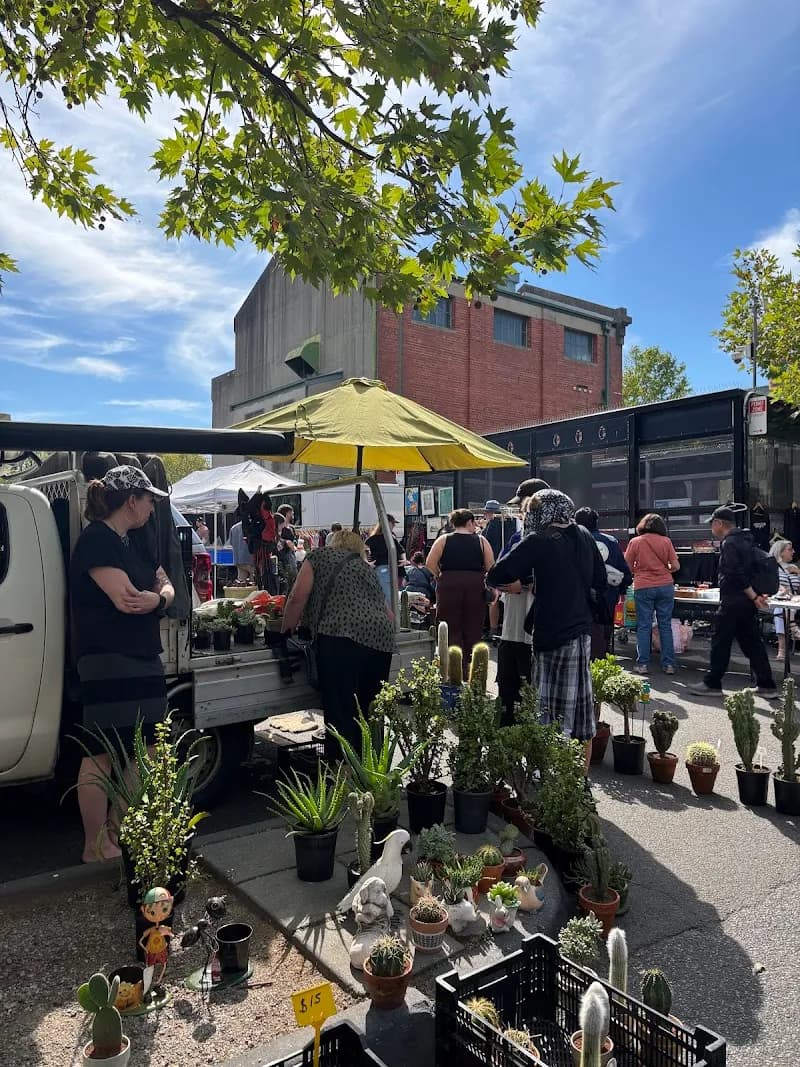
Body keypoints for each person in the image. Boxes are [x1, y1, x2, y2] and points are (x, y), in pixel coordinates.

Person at [69, 465, 174, 863]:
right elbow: (128, 599)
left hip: (142, 657)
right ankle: (95, 845)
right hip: (108, 658)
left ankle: (115, 833)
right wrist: (153, 598)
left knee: (147, 749)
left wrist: (159, 598)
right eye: (149, 500)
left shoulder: (134, 541)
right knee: (102, 752)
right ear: (131, 500)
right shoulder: (98, 540)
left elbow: (165, 585)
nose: (152, 508)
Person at [487, 489, 607, 772]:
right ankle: (578, 781)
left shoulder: (539, 540)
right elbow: (600, 582)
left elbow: (497, 574)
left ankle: (548, 779)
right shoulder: (585, 537)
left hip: (552, 634)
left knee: (547, 713)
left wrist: (530, 580)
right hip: (581, 632)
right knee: (580, 716)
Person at [281, 528, 395, 759]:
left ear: (333, 542)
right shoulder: (365, 568)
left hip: (340, 637)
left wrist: (285, 633)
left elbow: (296, 598)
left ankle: (342, 771)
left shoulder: (319, 556)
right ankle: (370, 766)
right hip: (381, 641)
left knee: (340, 708)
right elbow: (388, 614)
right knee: (368, 708)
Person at [689, 506, 777, 698]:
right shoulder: (747, 540)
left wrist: (753, 595)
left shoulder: (729, 543)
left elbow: (735, 573)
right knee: (752, 642)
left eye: (712, 523)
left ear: (719, 523)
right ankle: (767, 684)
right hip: (746, 602)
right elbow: (752, 570)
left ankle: (712, 683)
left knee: (720, 641)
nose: (711, 527)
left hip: (732, 600)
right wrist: (755, 596)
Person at [494, 480, 550, 724]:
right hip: (512, 626)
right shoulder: (518, 535)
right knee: (508, 683)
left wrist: (525, 583)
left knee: (531, 687)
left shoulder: (554, 537)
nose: (521, 511)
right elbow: (500, 565)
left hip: (535, 628)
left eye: (524, 505)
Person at [426, 508, 495, 663]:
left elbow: (430, 563)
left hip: (449, 584)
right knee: (473, 625)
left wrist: (439, 576)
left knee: (449, 625)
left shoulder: (443, 540)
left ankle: (451, 667)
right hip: (475, 585)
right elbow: (491, 566)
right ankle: (471, 667)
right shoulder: (481, 541)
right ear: (469, 522)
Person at [624, 513, 680, 675]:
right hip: (665, 586)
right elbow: (676, 566)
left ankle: (643, 664)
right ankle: (669, 664)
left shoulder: (635, 542)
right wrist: (664, 570)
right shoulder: (666, 541)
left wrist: (640, 571)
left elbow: (627, 566)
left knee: (644, 625)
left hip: (643, 586)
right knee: (665, 625)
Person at [575, 507, 632, 659]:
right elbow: (623, 569)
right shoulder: (611, 541)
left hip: (580, 595)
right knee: (605, 628)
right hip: (607, 594)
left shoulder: (574, 540)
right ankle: (603, 657)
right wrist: (622, 587)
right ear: (596, 522)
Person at [769, 539, 800, 661]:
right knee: (781, 607)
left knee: (785, 606)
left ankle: (783, 649)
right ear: (780, 552)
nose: (793, 552)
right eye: (790, 549)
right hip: (775, 599)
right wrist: (780, 589)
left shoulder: (794, 567)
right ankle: (786, 641)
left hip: (794, 598)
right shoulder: (771, 567)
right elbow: (768, 583)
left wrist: (798, 572)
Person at [365, 514, 404, 603]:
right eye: (393, 523)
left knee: (387, 598)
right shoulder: (388, 538)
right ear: (387, 523)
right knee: (389, 599)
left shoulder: (377, 538)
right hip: (385, 569)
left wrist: (367, 561)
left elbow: (363, 549)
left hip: (386, 569)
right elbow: (401, 550)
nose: (394, 526)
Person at [229, 519, 254, 583]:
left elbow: (231, 543)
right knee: (254, 584)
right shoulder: (252, 526)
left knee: (241, 584)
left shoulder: (233, 528)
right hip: (250, 560)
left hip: (238, 560)